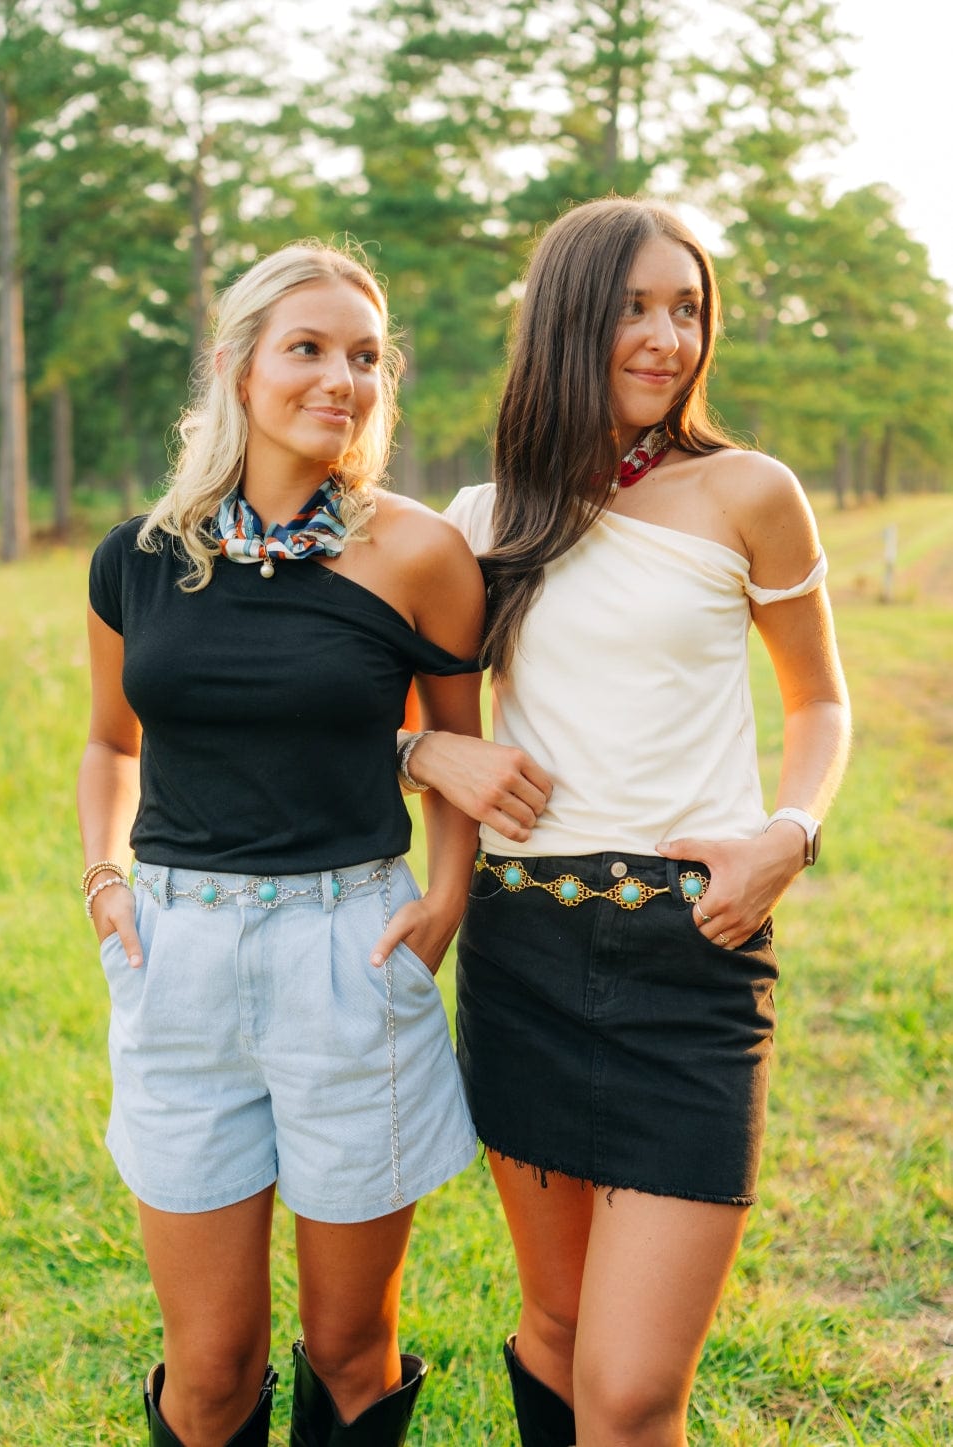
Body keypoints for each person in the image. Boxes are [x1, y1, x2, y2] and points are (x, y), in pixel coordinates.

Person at [400, 196, 852, 1446]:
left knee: (633, 1389)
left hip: (690, 954)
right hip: (520, 952)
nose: (667, 337)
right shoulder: (480, 521)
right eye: (633, 308)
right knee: (554, 1330)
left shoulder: (747, 491)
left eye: (687, 310)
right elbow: (365, 716)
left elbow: (818, 701)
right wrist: (428, 749)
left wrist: (788, 833)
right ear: (564, 320)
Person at [77, 240, 484, 1447]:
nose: (339, 379)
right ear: (237, 367)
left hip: (347, 950)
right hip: (177, 960)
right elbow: (109, 743)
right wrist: (102, 876)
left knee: (351, 1349)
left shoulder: (418, 554)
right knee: (209, 1368)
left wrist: (444, 902)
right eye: (306, 348)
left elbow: (460, 754)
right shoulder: (137, 558)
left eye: (363, 356)